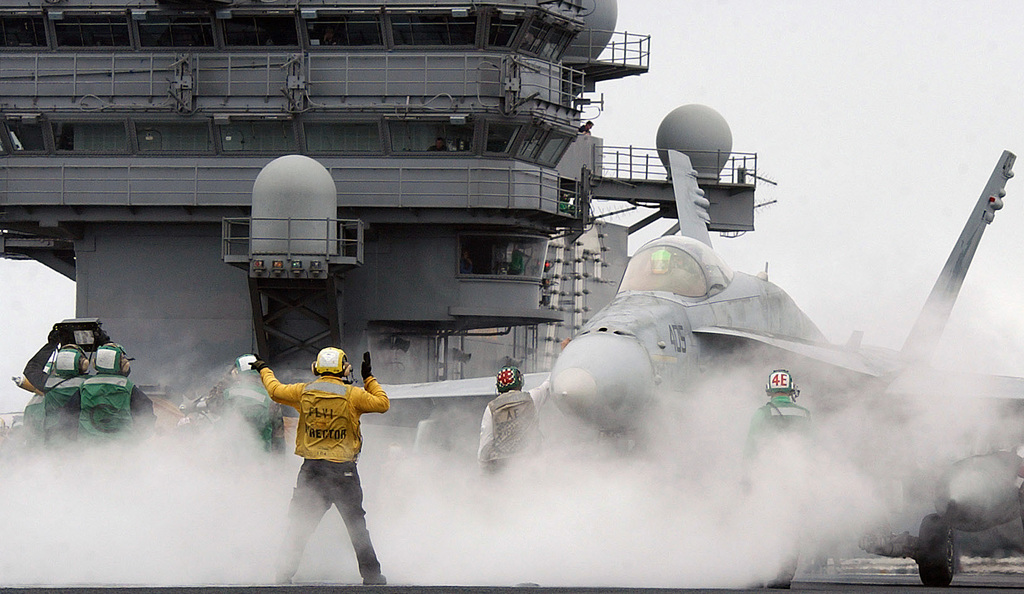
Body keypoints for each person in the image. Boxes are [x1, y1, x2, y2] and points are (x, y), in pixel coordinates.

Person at [251, 348, 389, 585]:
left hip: (312, 471)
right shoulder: (353, 395)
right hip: (343, 472)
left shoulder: (303, 392)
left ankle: (283, 574)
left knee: (300, 527)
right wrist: (369, 378)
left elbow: (274, 390)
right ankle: (372, 576)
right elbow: (382, 403)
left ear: (316, 368)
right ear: (344, 369)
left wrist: (264, 368)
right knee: (356, 527)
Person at [743, 369, 811, 589]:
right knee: (790, 528)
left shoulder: (762, 414)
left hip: (767, 480)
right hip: (794, 480)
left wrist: (747, 479)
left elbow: (752, 448)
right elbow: (811, 449)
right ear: (792, 390)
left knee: (762, 524)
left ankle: (757, 572)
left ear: (769, 390)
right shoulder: (804, 414)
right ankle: (784, 575)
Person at [181, 354, 285, 452]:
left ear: (236, 373)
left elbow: (211, 404)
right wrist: (278, 467)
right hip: (261, 460)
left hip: (233, 459)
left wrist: (226, 380)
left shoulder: (228, 394)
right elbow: (278, 438)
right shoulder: (272, 400)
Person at [477, 365, 551, 470]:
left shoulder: (491, 408)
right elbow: (547, 385)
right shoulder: (531, 398)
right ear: (519, 382)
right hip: (530, 460)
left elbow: (486, 442)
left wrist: (483, 471)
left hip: (502, 465)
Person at [78, 343, 156, 440]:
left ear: (95, 363)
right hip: (122, 447)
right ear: (123, 365)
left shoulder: (85, 386)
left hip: (88, 447)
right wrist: (139, 440)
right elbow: (145, 414)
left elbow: (69, 415)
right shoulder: (128, 387)